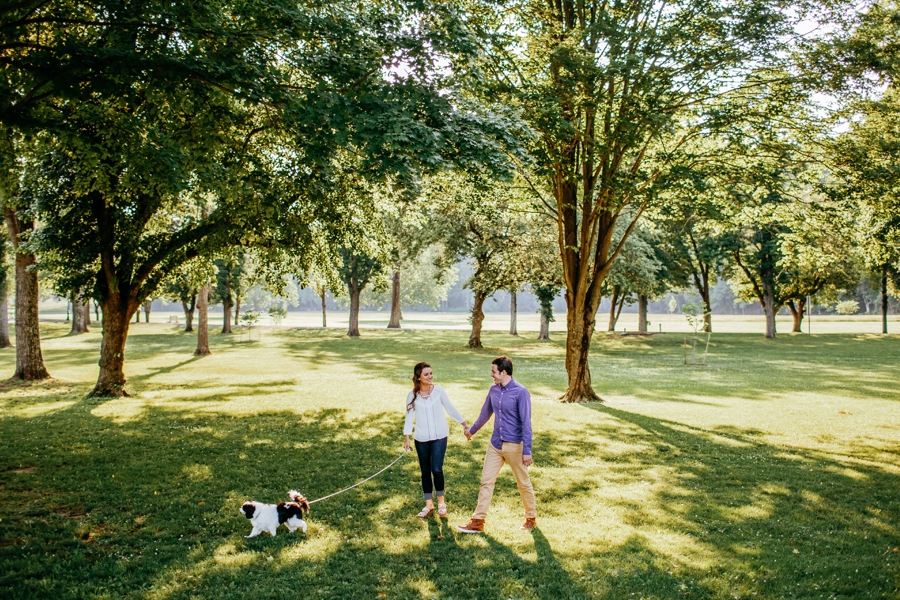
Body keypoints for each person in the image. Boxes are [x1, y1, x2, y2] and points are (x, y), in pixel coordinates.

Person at [456, 355, 536, 533]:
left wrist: (527, 450)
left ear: (504, 372)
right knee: (486, 481)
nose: (491, 374)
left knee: (523, 483)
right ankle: (478, 521)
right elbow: (485, 413)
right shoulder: (493, 390)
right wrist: (472, 431)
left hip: (515, 446)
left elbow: (526, 423)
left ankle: (530, 518)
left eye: (494, 371)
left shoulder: (521, 392)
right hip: (495, 444)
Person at [403, 362, 469, 518]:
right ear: (418, 377)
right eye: (426, 374)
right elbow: (408, 418)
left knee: (437, 469)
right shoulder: (412, 395)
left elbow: (450, 407)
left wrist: (464, 423)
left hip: (440, 436)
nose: (430, 376)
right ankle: (429, 505)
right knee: (425, 472)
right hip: (421, 438)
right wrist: (407, 438)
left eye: (431, 373)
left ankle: (441, 502)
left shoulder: (438, 391)